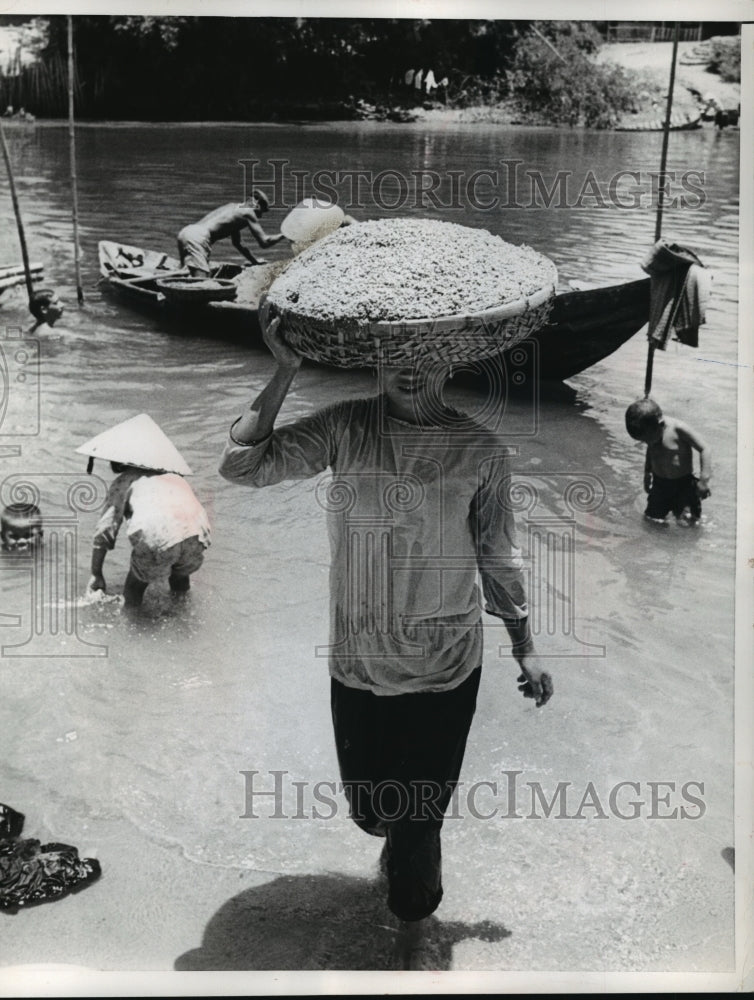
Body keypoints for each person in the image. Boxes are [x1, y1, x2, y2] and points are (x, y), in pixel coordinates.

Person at [219, 302, 553, 968]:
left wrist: (525, 646)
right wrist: (285, 367)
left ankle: (413, 930)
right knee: (372, 811)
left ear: (451, 361)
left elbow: (499, 554)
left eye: (428, 354)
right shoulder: (346, 428)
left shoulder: (481, 451)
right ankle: (394, 845)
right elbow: (243, 465)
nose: (410, 369)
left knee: (418, 815)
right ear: (376, 359)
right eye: (396, 354)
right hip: (360, 661)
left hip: (446, 664)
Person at [77, 414, 212, 608]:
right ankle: (183, 620)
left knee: (133, 588)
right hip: (197, 533)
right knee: (180, 579)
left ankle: (129, 630)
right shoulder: (174, 476)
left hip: (158, 535)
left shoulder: (125, 481)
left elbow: (105, 530)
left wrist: (96, 573)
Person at [625, 397, 712, 523]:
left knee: (687, 523)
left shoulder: (678, 429)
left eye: (649, 439)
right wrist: (647, 472)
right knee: (651, 520)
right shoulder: (652, 432)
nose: (648, 443)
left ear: (660, 425)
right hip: (659, 485)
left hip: (684, 486)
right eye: (644, 441)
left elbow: (705, 449)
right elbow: (651, 451)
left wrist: (704, 481)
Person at [176, 189, 286, 275]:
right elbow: (264, 242)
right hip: (199, 238)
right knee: (200, 283)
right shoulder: (248, 211)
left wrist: (254, 262)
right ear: (256, 202)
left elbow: (238, 244)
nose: (260, 216)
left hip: (187, 232)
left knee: (186, 274)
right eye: (261, 211)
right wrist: (285, 234)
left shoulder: (232, 207)